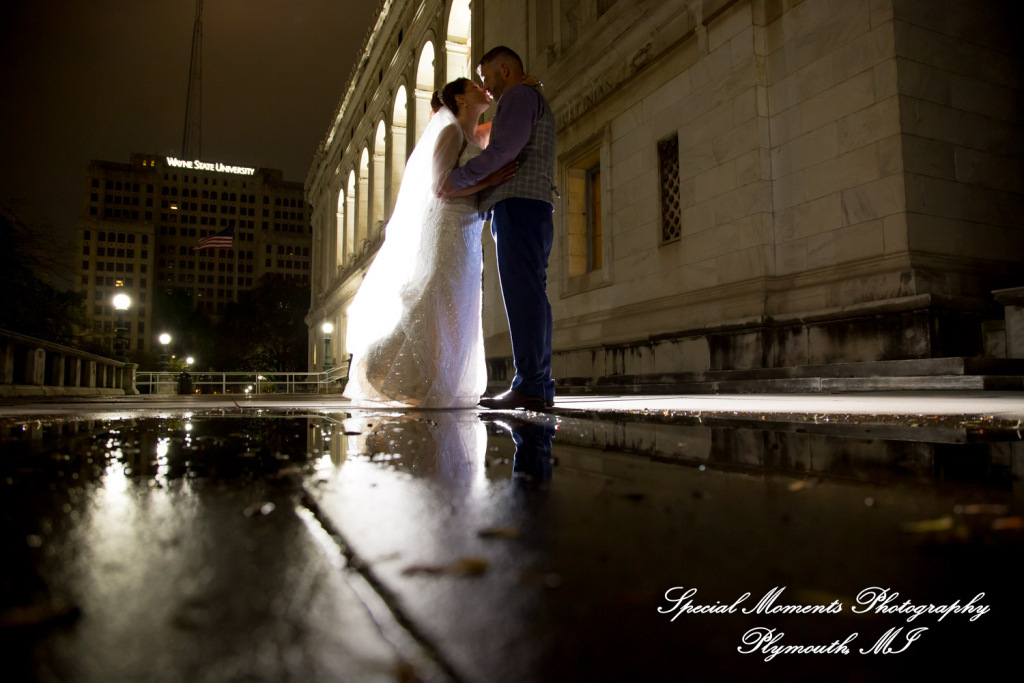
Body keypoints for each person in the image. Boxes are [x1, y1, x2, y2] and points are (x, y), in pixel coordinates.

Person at [342, 78, 515, 408]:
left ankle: (437, 379)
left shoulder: (473, 134)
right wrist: (489, 180)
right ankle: (381, 367)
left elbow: (507, 121)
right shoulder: (450, 132)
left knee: (457, 302)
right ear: (461, 99)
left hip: (468, 230)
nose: (483, 89)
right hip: (447, 226)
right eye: (475, 86)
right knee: (436, 296)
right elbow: (441, 187)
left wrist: (523, 87)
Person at [442, 46, 558, 412]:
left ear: (504, 70)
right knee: (531, 293)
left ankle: (530, 384)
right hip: (530, 204)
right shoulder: (525, 95)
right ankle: (537, 383)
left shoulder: (519, 96)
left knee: (523, 294)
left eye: (486, 76)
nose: (485, 86)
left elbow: (504, 150)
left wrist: (457, 180)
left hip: (519, 203)